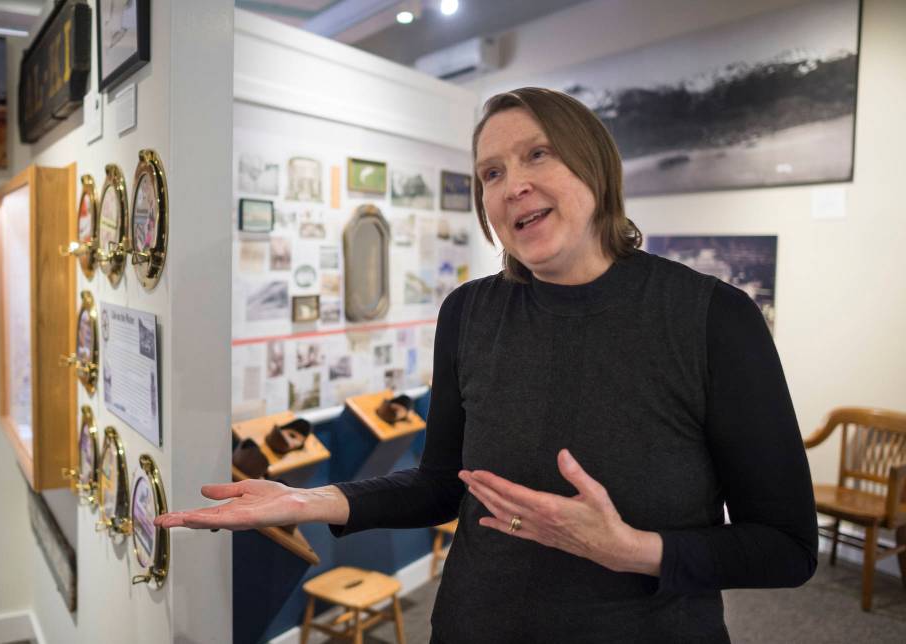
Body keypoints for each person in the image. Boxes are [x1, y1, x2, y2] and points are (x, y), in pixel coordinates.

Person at [155, 87, 817, 643]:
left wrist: (631, 550)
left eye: (537, 154)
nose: (513, 185)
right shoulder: (470, 312)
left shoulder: (712, 318)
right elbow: (443, 485)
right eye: (491, 173)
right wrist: (308, 500)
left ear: (596, 166)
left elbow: (786, 547)